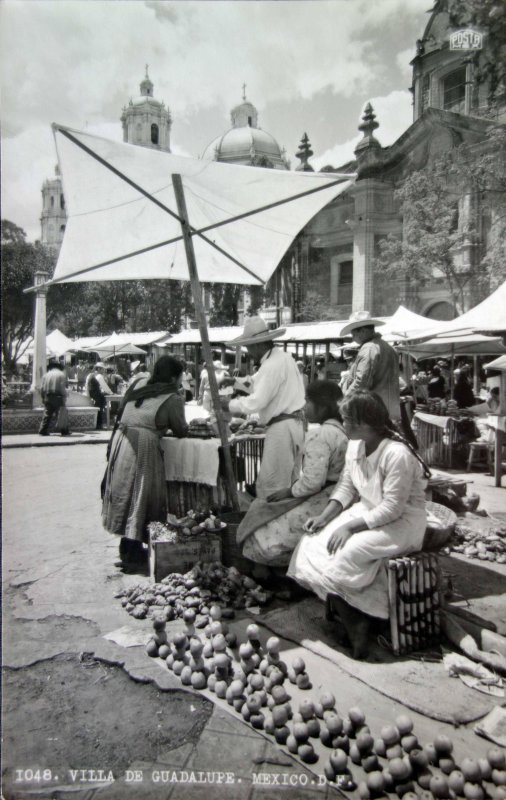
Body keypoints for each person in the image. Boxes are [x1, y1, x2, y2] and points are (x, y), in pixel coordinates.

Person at [288, 390, 430, 659]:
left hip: (402, 522)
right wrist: (325, 517)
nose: (343, 425)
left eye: (347, 420)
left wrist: (350, 528)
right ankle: (352, 613)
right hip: (366, 511)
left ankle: (359, 623)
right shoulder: (356, 445)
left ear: (364, 423)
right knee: (310, 543)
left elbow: (393, 508)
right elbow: (346, 486)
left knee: (347, 553)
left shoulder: (396, 454)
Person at [238, 380, 348, 567]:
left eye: (307, 401)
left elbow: (313, 482)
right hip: (336, 496)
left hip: (324, 499)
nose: (303, 406)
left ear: (322, 407)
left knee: (263, 523)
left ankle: (279, 572)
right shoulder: (342, 431)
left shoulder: (320, 435)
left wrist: (289, 491)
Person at [102, 356, 188, 571]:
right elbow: (181, 429)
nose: (181, 381)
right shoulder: (172, 397)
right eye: (180, 376)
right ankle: (132, 554)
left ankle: (128, 547)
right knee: (142, 495)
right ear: (172, 377)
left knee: (126, 493)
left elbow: (122, 412)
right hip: (143, 446)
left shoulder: (139, 383)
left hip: (122, 441)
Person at [227, 317, 305, 499]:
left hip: (282, 428)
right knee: (290, 482)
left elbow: (256, 401)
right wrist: (236, 382)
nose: (248, 352)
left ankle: (271, 524)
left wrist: (228, 405)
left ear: (256, 345)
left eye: (248, 347)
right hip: (295, 424)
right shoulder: (284, 357)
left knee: (273, 485)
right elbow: (258, 382)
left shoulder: (271, 365)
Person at [340, 311, 400, 421]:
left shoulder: (368, 348)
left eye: (353, 334)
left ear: (362, 331)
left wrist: (345, 400)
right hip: (390, 408)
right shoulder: (389, 348)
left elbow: (361, 382)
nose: (353, 338)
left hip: (372, 411)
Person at [39, 360, 70, 436]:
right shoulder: (61, 375)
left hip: (48, 396)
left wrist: (43, 398)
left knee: (47, 414)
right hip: (58, 397)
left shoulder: (46, 375)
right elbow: (62, 388)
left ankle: (42, 430)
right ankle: (64, 431)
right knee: (61, 414)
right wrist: (65, 395)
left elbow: (41, 388)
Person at [86, 362, 112, 429]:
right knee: (101, 406)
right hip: (96, 395)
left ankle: (98, 424)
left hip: (92, 395)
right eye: (103, 369)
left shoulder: (91, 375)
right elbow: (104, 387)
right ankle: (99, 425)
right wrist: (111, 393)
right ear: (99, 369)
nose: (104, 371)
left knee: (101, 403)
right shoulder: (99, 376)